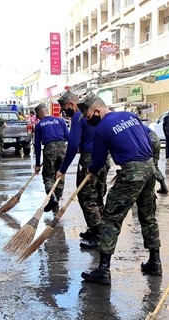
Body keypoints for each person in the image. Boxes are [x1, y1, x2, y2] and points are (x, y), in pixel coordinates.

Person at [77, 92, 162, 284]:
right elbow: (149, 139)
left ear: (97, 110)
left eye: (89, 117)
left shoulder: (102, 128)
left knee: (111, 218)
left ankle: (103, 270)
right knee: (148, 217)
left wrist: (90, 169)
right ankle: (155, 262)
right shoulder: (131, 116)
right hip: (149, 168)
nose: (89, 121)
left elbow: (98, 161)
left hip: (132, 172)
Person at [56, 90, 109, 248]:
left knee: (86, 198)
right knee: (98, 195)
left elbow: (72, 145)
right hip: (104, 158)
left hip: (89, 159)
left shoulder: (78, 116)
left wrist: (63, 168)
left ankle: (98, 235)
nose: (66, 112)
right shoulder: (97, 113)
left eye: (65, 108)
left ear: (72, 104)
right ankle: (97, 230)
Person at [34, 103, 69, 212]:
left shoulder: (40, 125)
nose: (37, 117)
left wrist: (38, 164)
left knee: (48, 176)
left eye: (37, 115)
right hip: (63, 148)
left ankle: (52, 198)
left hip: (49, 149)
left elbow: (37, 145)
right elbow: (68, 137)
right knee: (60, 175)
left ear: (40, 113)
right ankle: (56, 204)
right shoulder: (61, 121)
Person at [147, 123, 168, 194]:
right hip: (156, 139)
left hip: (148, 140)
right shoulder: (134, 123)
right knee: (154, 165)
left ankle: (147, 190)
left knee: (147, 164)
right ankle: (163, 184)